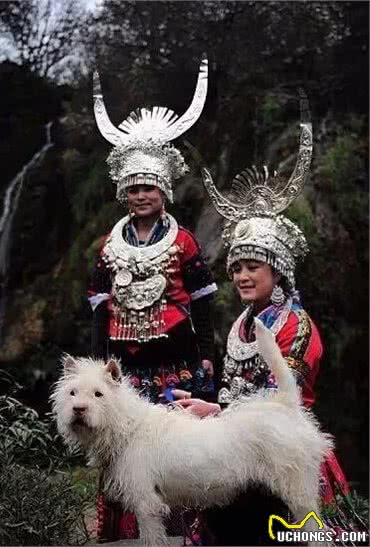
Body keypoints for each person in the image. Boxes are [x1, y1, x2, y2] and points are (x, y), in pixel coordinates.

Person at [178, 103, 356, 545]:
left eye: (252, 266)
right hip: (238, 451)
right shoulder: (242, 322)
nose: (241, 276)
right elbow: (231, 388)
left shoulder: (296, 325)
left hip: (281, 454)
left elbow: (280, 401)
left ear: (278, 271)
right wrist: (209, 406)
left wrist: (217, 412)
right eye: (236, 267)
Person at [89, 56, 218, 543]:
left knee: (177, 454)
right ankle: (123, 535)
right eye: (134, 188)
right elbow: (101, 307)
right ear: (124, 192)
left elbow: (203, 303)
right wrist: (101, 365)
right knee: (120, 456)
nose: (141, 195)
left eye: (149, 187)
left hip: (178, 366)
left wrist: (206, 358)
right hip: (124, 370)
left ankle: (187, 536)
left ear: (163, 191)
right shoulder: (109, 246)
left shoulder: (184, 241)